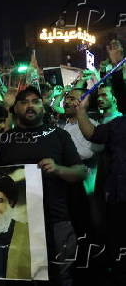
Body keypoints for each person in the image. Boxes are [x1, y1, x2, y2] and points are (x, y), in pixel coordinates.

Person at [0, 86, 87, 286]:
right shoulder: (6, 139)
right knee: (22, 275)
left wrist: (58, 169)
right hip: (18, 224)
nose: (30, 106)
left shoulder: (59, 135)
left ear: (43, 106)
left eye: (35, 101)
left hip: (56, 220)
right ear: (15, 108)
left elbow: (81, 172)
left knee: (61, 276)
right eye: (24, 102)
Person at [76, 95, 126, 286]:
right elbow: (94, 134)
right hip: (119, 196)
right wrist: (81, 111)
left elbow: (93, 135)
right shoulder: (119, 124)